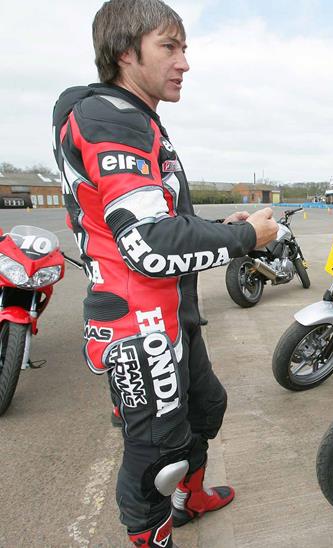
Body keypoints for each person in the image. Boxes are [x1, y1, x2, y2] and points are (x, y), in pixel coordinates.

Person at [51, 1, 280, 546]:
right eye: (169, 47)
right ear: (126, 53)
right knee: (156, 455)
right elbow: (146, 245)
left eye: (184, 49)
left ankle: (191, 500)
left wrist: (221, 224)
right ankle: (152, 535)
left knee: (208, 407)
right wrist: (247, 238)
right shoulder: (112, 117)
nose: (184, 63)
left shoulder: (138, 118)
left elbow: (161, 219)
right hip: (138, 323)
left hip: (172, 313)